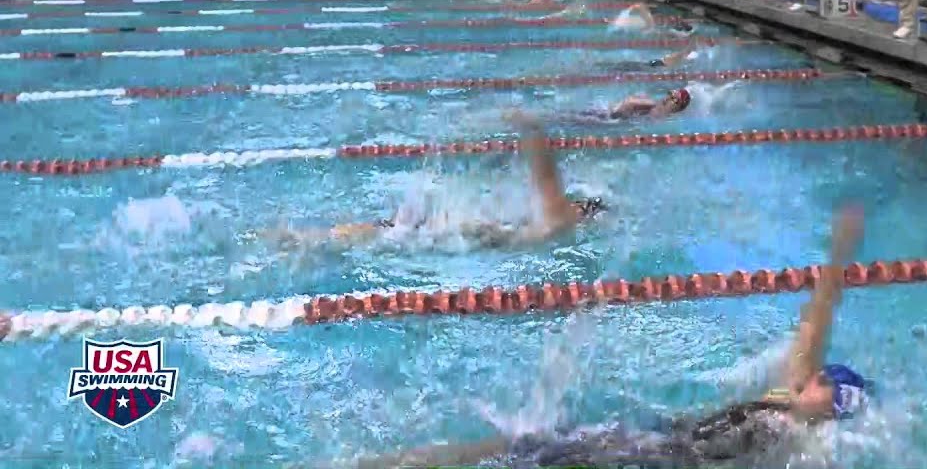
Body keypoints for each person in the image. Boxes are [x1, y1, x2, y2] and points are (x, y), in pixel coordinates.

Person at [351, 208, 868, 469]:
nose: (817, 380)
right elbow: (813, 322)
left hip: (663, 456)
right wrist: (839, 256)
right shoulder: (787, 397)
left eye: (829, 386)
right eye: (822, 377)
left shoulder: (807, 445)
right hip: (658, 440)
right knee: (530, 445)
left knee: (530, 448)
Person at [276, 115, 605, 250]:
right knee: (386, 231)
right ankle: (307, 239)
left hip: (463, 235)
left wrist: (532, 129)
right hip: (462, 235)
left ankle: (302, 239)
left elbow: (546, 178)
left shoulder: (559, 221)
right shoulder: (549, 227)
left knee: (387, 230)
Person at [568, 87, 692, 123]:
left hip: (611, 120)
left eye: (673, 99)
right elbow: (629, 102)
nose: (667, 98)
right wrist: (615, 115)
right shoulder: (653, 104)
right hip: (606, 117)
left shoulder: (667, 118)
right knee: (567, 119)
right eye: (669, 95)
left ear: (679, 107)